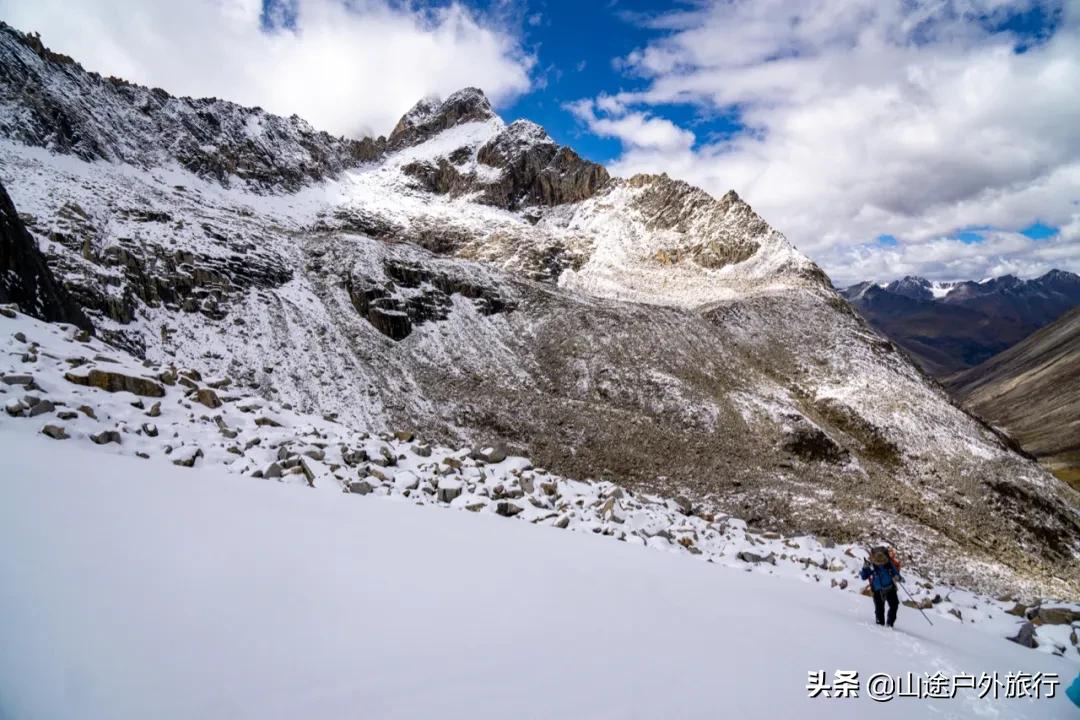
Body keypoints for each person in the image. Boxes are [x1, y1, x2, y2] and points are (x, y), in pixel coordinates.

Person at [860, 547, 901, 627]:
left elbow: (896, 573)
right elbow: (864, 576)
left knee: (893, 606)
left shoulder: (888, 564)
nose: (880, 563)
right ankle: (882, 626)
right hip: (880, 590)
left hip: (885, 589)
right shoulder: (873, 565)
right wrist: (865, 568)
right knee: (881, 609)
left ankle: (888, 624)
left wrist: (898, 577)